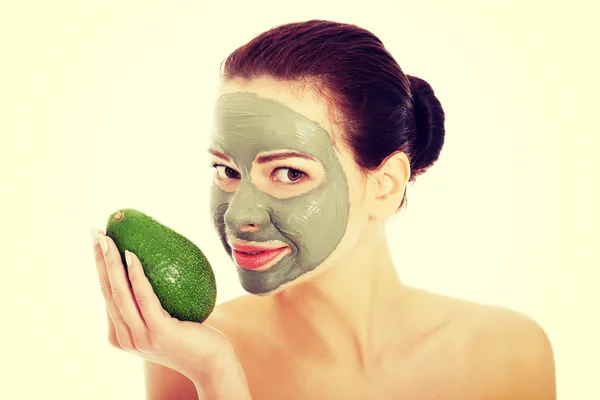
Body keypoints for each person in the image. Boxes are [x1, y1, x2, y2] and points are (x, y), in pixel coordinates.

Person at [91, 20, 556, 399]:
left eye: (290, 173)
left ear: (385, 185)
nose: (237, 217)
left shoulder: (506, 353)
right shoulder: (187, 353)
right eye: (227, 171)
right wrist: (215, 373)